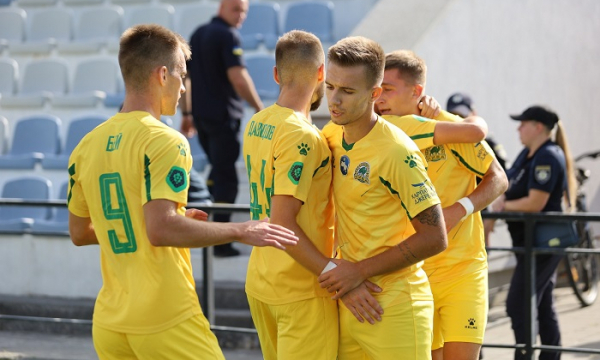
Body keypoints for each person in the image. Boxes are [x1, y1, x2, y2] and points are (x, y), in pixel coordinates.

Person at [67, 24, 298, 360]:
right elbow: (160, 229)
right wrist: (241, 230)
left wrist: (163, 221)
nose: (183, 87)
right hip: (165, 318)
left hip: (109, 324)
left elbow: (80, 232)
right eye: (182, 75)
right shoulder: (164, 139)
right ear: (162, 75)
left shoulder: (87, 145)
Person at [242, 30, 380, 360]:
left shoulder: (257, 121)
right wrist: (336, 276)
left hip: (261, 281)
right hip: (299, 289)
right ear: (322, 73)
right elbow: (283, 222)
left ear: (276, 74)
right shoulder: (304, 136)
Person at [371, 49, 508, 360]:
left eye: (388, 89)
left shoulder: (448, 126)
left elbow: (498, 178)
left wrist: (460, 210)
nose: (379, 99)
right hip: (412, 277)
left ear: (417, 92)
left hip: (463, 272)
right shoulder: (378, 134)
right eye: (377, 90)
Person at [319, 36, 448, 359]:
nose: (334, 100)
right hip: (351, 300)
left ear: (375, 94)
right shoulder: (331, 134)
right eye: (330, 87)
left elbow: (436, 237)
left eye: (347, 91)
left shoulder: (397, 152)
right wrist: (348, 279)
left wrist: (359, 271)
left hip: (397, 307)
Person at [490, 105, 576, 360]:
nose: (518, 128)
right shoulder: (527, 154)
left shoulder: (548, 155)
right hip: (527, 242)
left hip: (542, 244)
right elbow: (507, 182)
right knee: (542, 303)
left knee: (517, 304)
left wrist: (503, 206)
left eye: (523, 123)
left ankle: (525, 356)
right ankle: (550, 355)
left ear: (538, 127)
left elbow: (535, 202)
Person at [180, 0, 264, 257]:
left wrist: (187, 113)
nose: (240, 16)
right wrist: (261, 109)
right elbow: (238, 77)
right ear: (222, 7)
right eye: (236, 10)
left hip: (202, 118)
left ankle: (206, 231)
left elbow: (186, 77)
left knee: (217, 173)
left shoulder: (198, 33)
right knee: (225, 178)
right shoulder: (227, 35)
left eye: (244, 12)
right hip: (223, 117)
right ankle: (221, 241)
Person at [447, 92, 508, 247]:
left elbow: (502, 175)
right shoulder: (443, 140)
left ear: (473, 113)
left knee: (481, 247)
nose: (458, 119)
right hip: (452, 206)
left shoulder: (486, 142)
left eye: (461, 115)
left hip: (479, 205)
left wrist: (493, 211)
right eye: (453, 115)